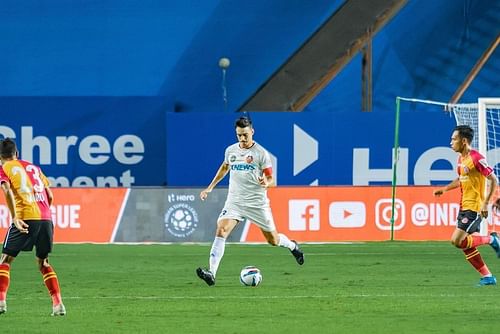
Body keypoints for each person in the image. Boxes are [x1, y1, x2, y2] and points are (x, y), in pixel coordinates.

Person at [196, 116, 304, 286]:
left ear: (252, 132)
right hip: (235, 201)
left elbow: (272, 179)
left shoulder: (261, 153)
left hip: (256, 203)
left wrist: (266, 182)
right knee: (222, 230)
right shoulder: (231, 151)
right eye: (239, 135)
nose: (242, 139)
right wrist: (209, 187)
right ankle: (212, 273)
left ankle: (293, 246)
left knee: (273, 241)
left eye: (245, 135)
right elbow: (225, 167)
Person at [0, 138, 65, 315]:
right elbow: (50, 196)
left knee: (5, 260)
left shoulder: (4, 168)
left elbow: (5, 190)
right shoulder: (34, 167)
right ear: (17, 153)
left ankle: (0, 302)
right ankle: (58, 304)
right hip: (46, 219)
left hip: (25, 217)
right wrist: (43, 215)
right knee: (43, 262)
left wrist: (14, 217)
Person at [433, 125, 499, 286]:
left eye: (454, 139)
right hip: (464, 206)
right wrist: (445, 189)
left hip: (475, 207)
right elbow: (461, 179)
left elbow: (493, 180)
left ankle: (491, 239)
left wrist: (485, 204)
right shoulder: (461, 159)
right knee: (464, 244)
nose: (451, 143)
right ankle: (488, 277)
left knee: (456, 240)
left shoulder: (476, 158)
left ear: (463, 141)